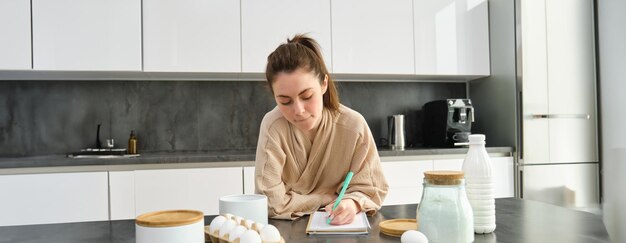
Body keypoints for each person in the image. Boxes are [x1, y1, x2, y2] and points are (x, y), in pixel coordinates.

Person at [255, 34, 388, 225]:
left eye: (307, 96)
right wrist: (324, 198)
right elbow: (270, 203)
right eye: (285, 101)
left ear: (324, 84)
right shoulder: (273, 127)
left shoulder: (353, 126)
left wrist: (352, 203)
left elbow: (373, 188)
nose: (298, 110)